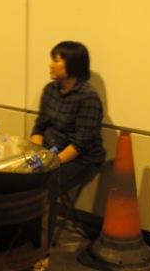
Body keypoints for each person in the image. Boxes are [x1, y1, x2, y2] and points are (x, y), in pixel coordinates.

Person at [30, 40, 106, 248]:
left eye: (56, 60)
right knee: (17, 173)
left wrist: (49, 164)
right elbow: (39, 127)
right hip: (51, 151)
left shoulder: (88, 98)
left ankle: (41, 244)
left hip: (82, 159)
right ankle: (21, 231)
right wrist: (35, 154)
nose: (50, 65)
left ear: (73, 65)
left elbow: (81, 144)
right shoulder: (50, 90)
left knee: (46, 184)